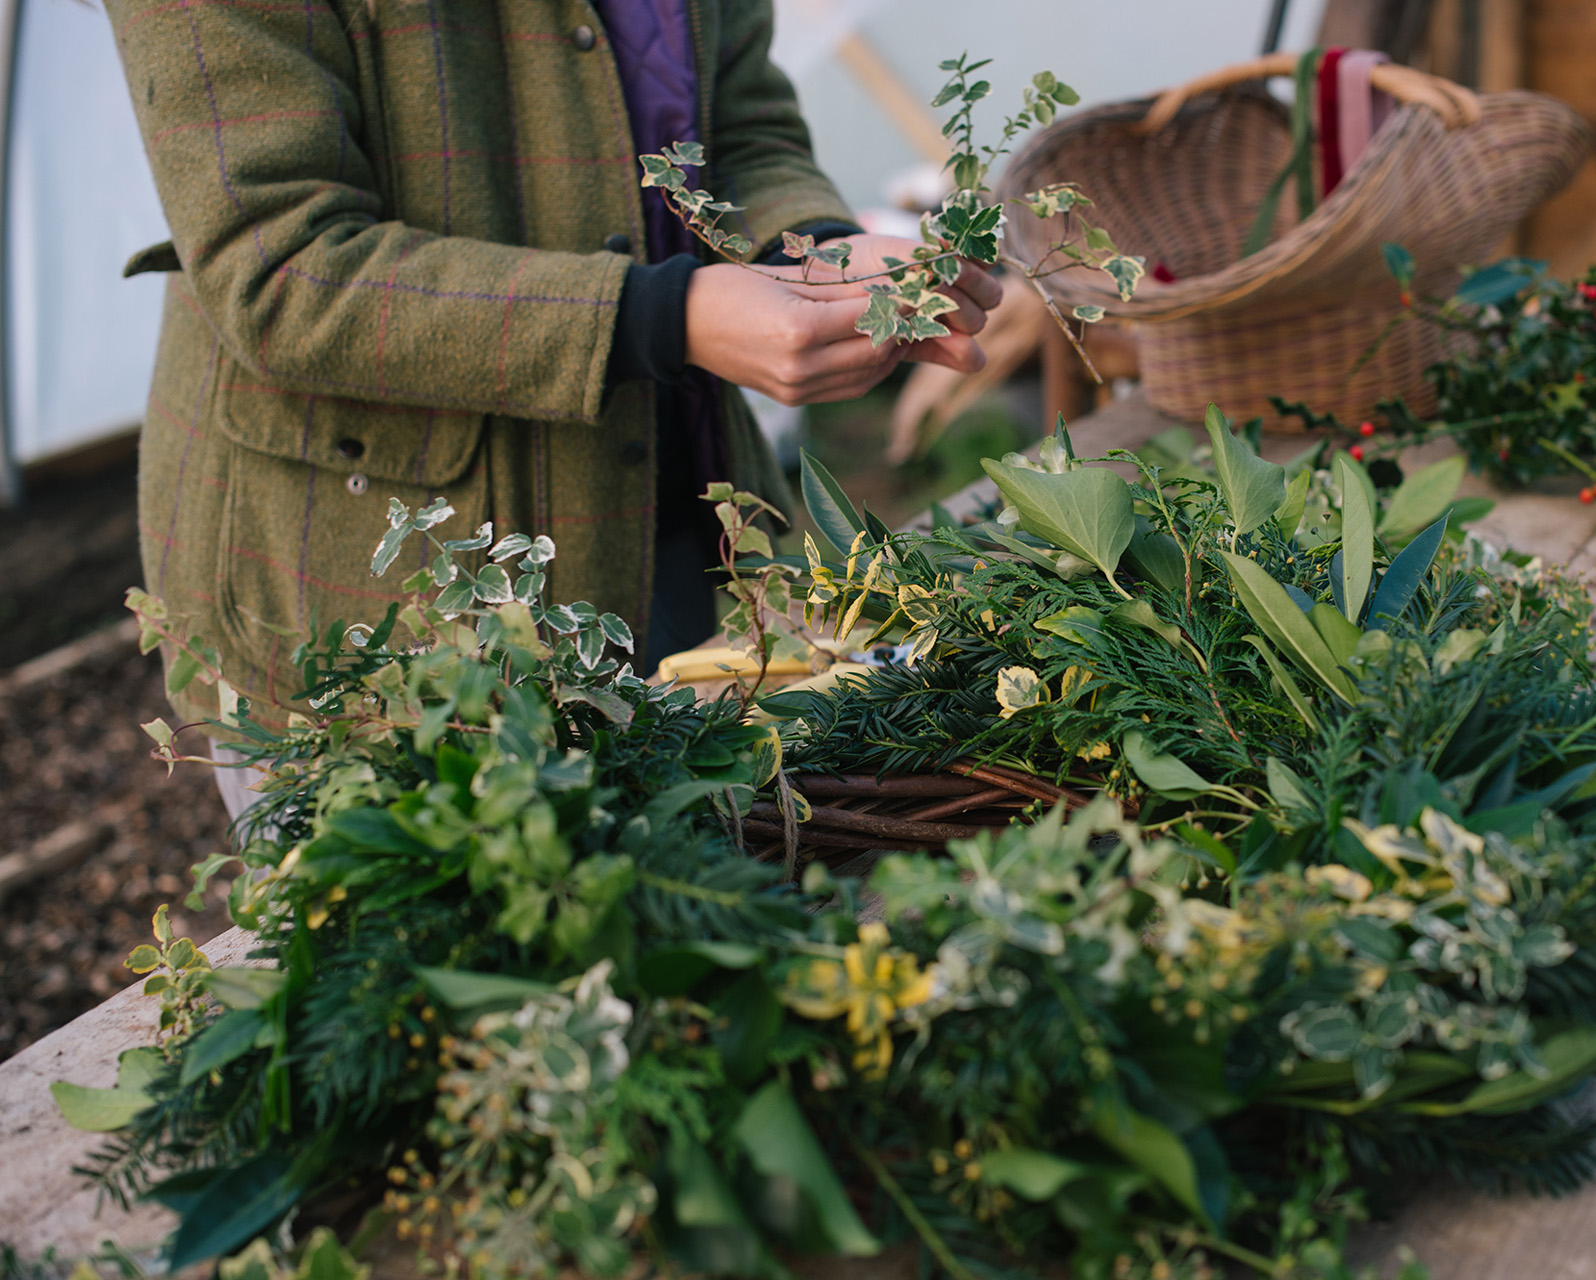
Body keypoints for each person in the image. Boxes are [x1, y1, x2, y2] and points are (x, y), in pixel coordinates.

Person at [103, 0, 1001, 822]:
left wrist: (811, 251)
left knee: (699, 902)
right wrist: (663, 316)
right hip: (388, 582)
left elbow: (743, 118)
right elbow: (284, 269)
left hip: (688, 515)